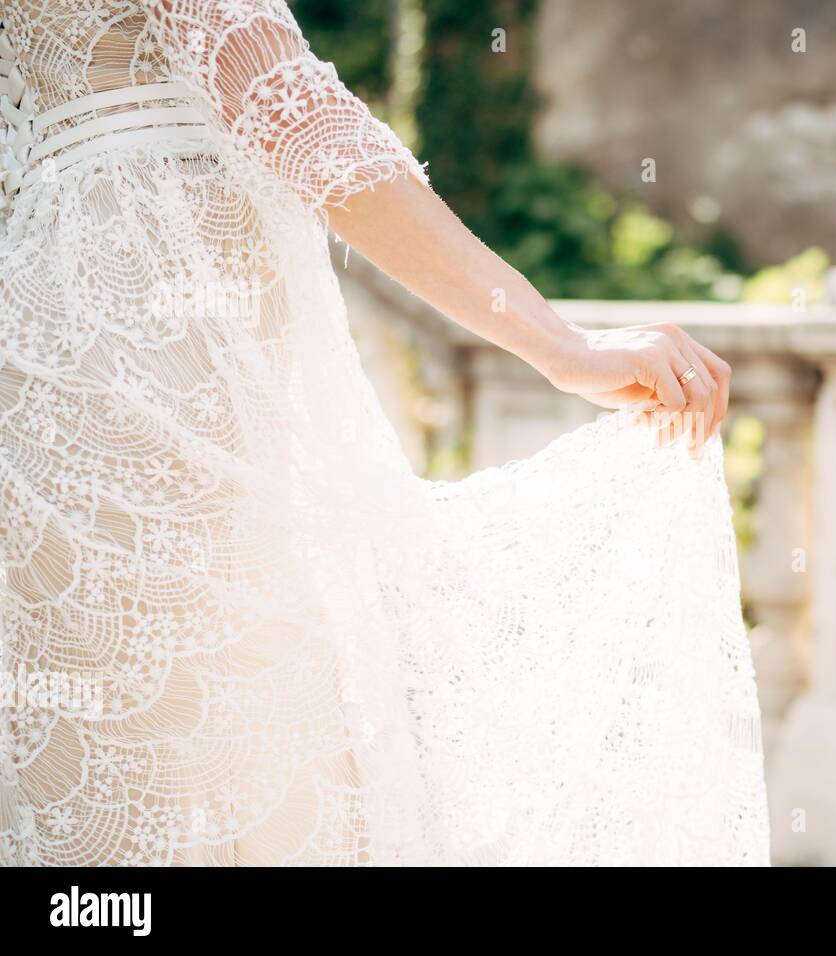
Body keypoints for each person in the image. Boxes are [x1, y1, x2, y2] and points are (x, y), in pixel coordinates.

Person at [0, 1, 768, 865]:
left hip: (45, 345)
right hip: (157, 346)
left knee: (129, 733)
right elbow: (289, 108)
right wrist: (561, 344)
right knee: (240, 732)